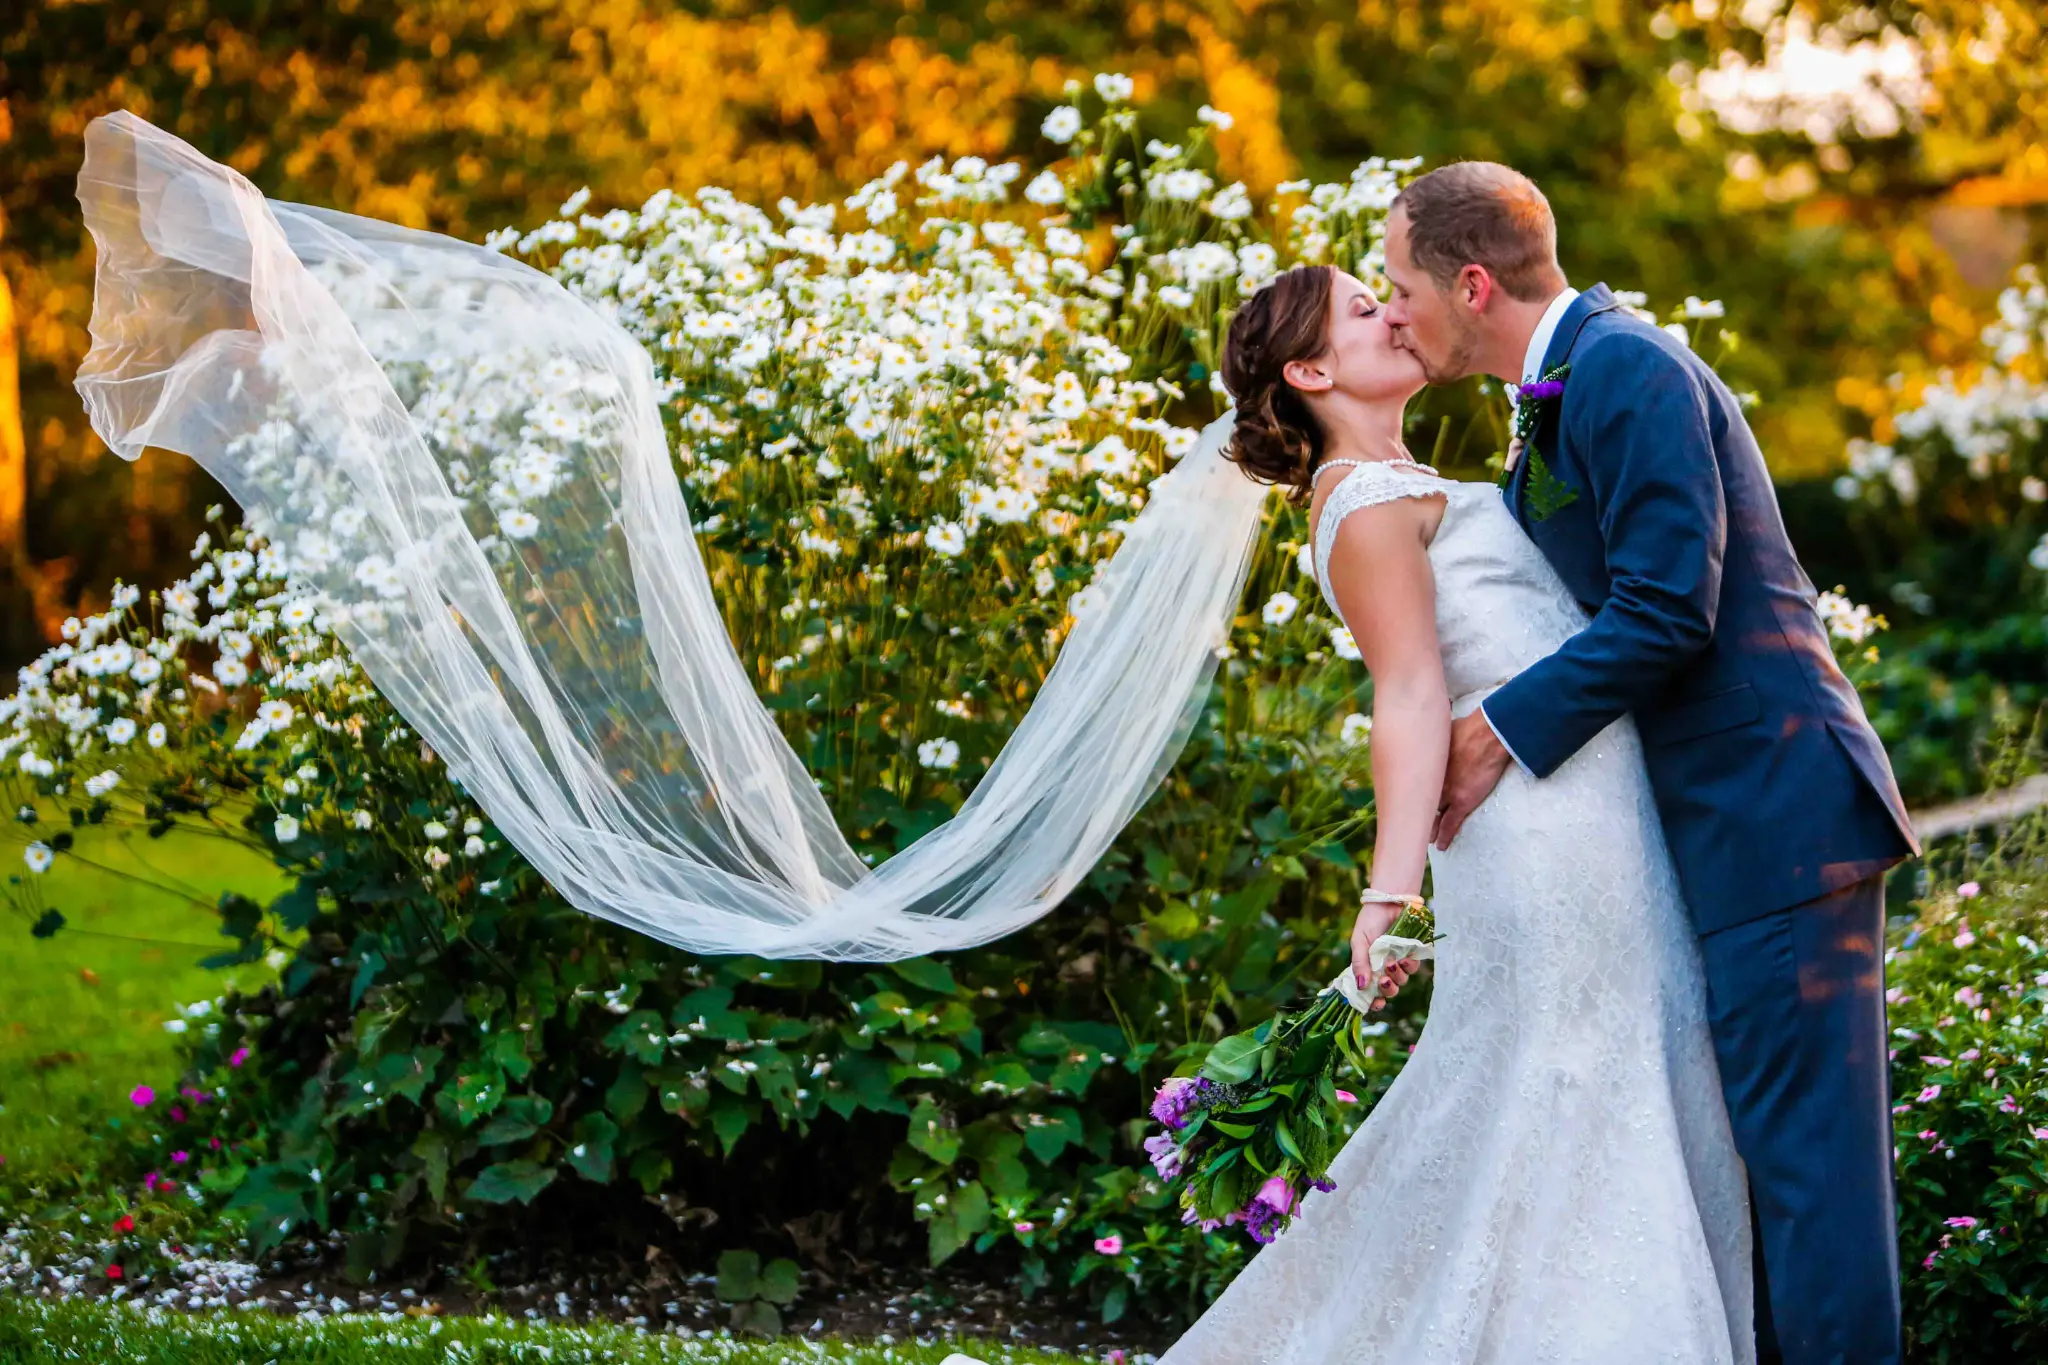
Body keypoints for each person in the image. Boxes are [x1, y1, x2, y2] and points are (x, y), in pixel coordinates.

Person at [1158, 259, 1752, 1364]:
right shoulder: (1355, 503)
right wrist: (1389, 891)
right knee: (1568, 1069)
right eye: (1359, 307)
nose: (1391, 313)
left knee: (1613, 1056)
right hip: (1533, 832)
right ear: (1310, 368)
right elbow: (1410, 693)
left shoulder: (1420, 478)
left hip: (1599, 807)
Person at [1388, 162, 1917, 1365]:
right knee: (1767, 1175)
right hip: (1729, 823)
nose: (1393, 309)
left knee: (1811, 1187)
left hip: (1777, 812)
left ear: (1469, 284)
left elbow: (1670, 609)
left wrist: (1495, 731)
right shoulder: (1571, 390)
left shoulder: (1626, 369)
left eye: (1397, 282)